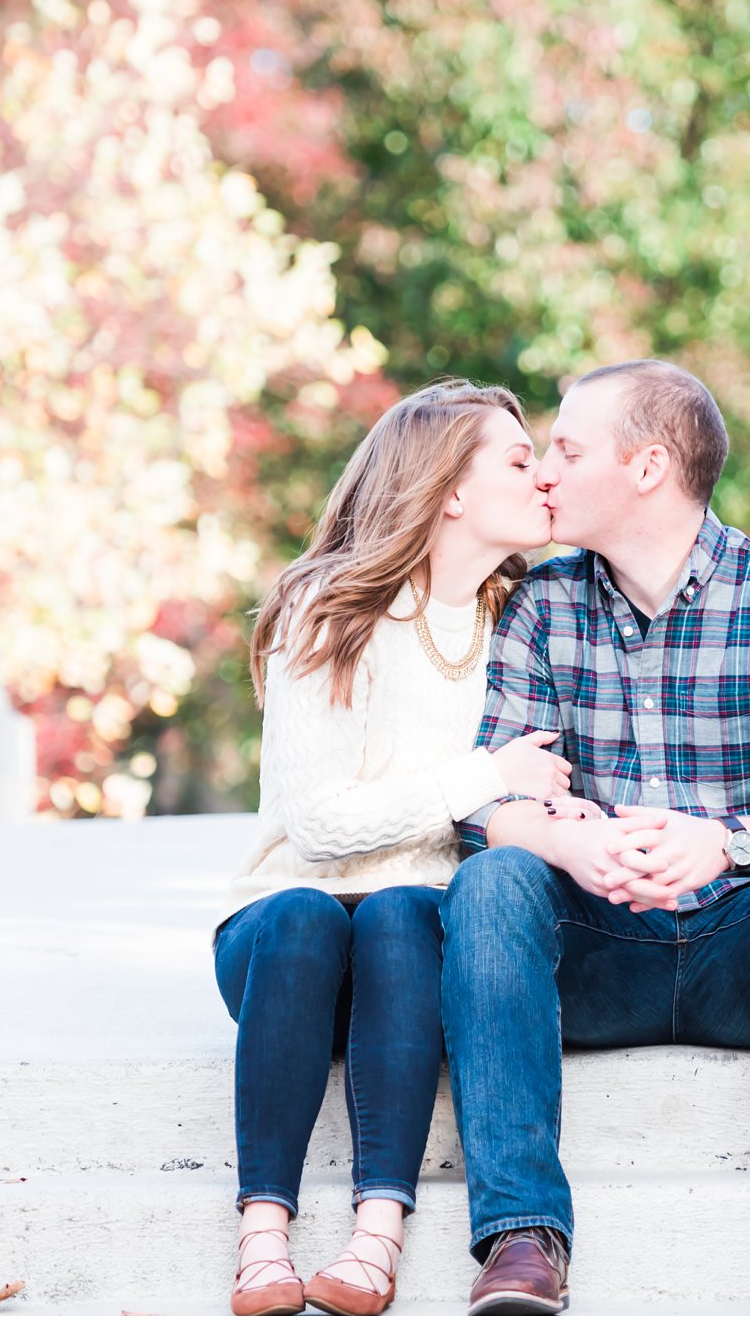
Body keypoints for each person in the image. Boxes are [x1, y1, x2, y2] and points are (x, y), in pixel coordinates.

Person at [442, 359, 750, 1316]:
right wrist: (568, 845)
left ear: (648, 466)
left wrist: (729, 844)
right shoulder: (543, 604)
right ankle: (521, 1237)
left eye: (568, 451)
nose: (547, 472)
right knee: (490, 882)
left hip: (746, 949)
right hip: (600, 948)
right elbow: (489, 797)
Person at [213, 378, 573, 1316]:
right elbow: (320, 825)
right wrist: (485, 776)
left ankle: (377, 1234)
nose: (544, 480)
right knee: (303, 913)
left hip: (410, 956)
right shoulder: (325, 608)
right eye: (519, 459)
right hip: (282, 948)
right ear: (451, 487)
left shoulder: (523, 620)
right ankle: (262, 1233)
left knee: (409, 909)